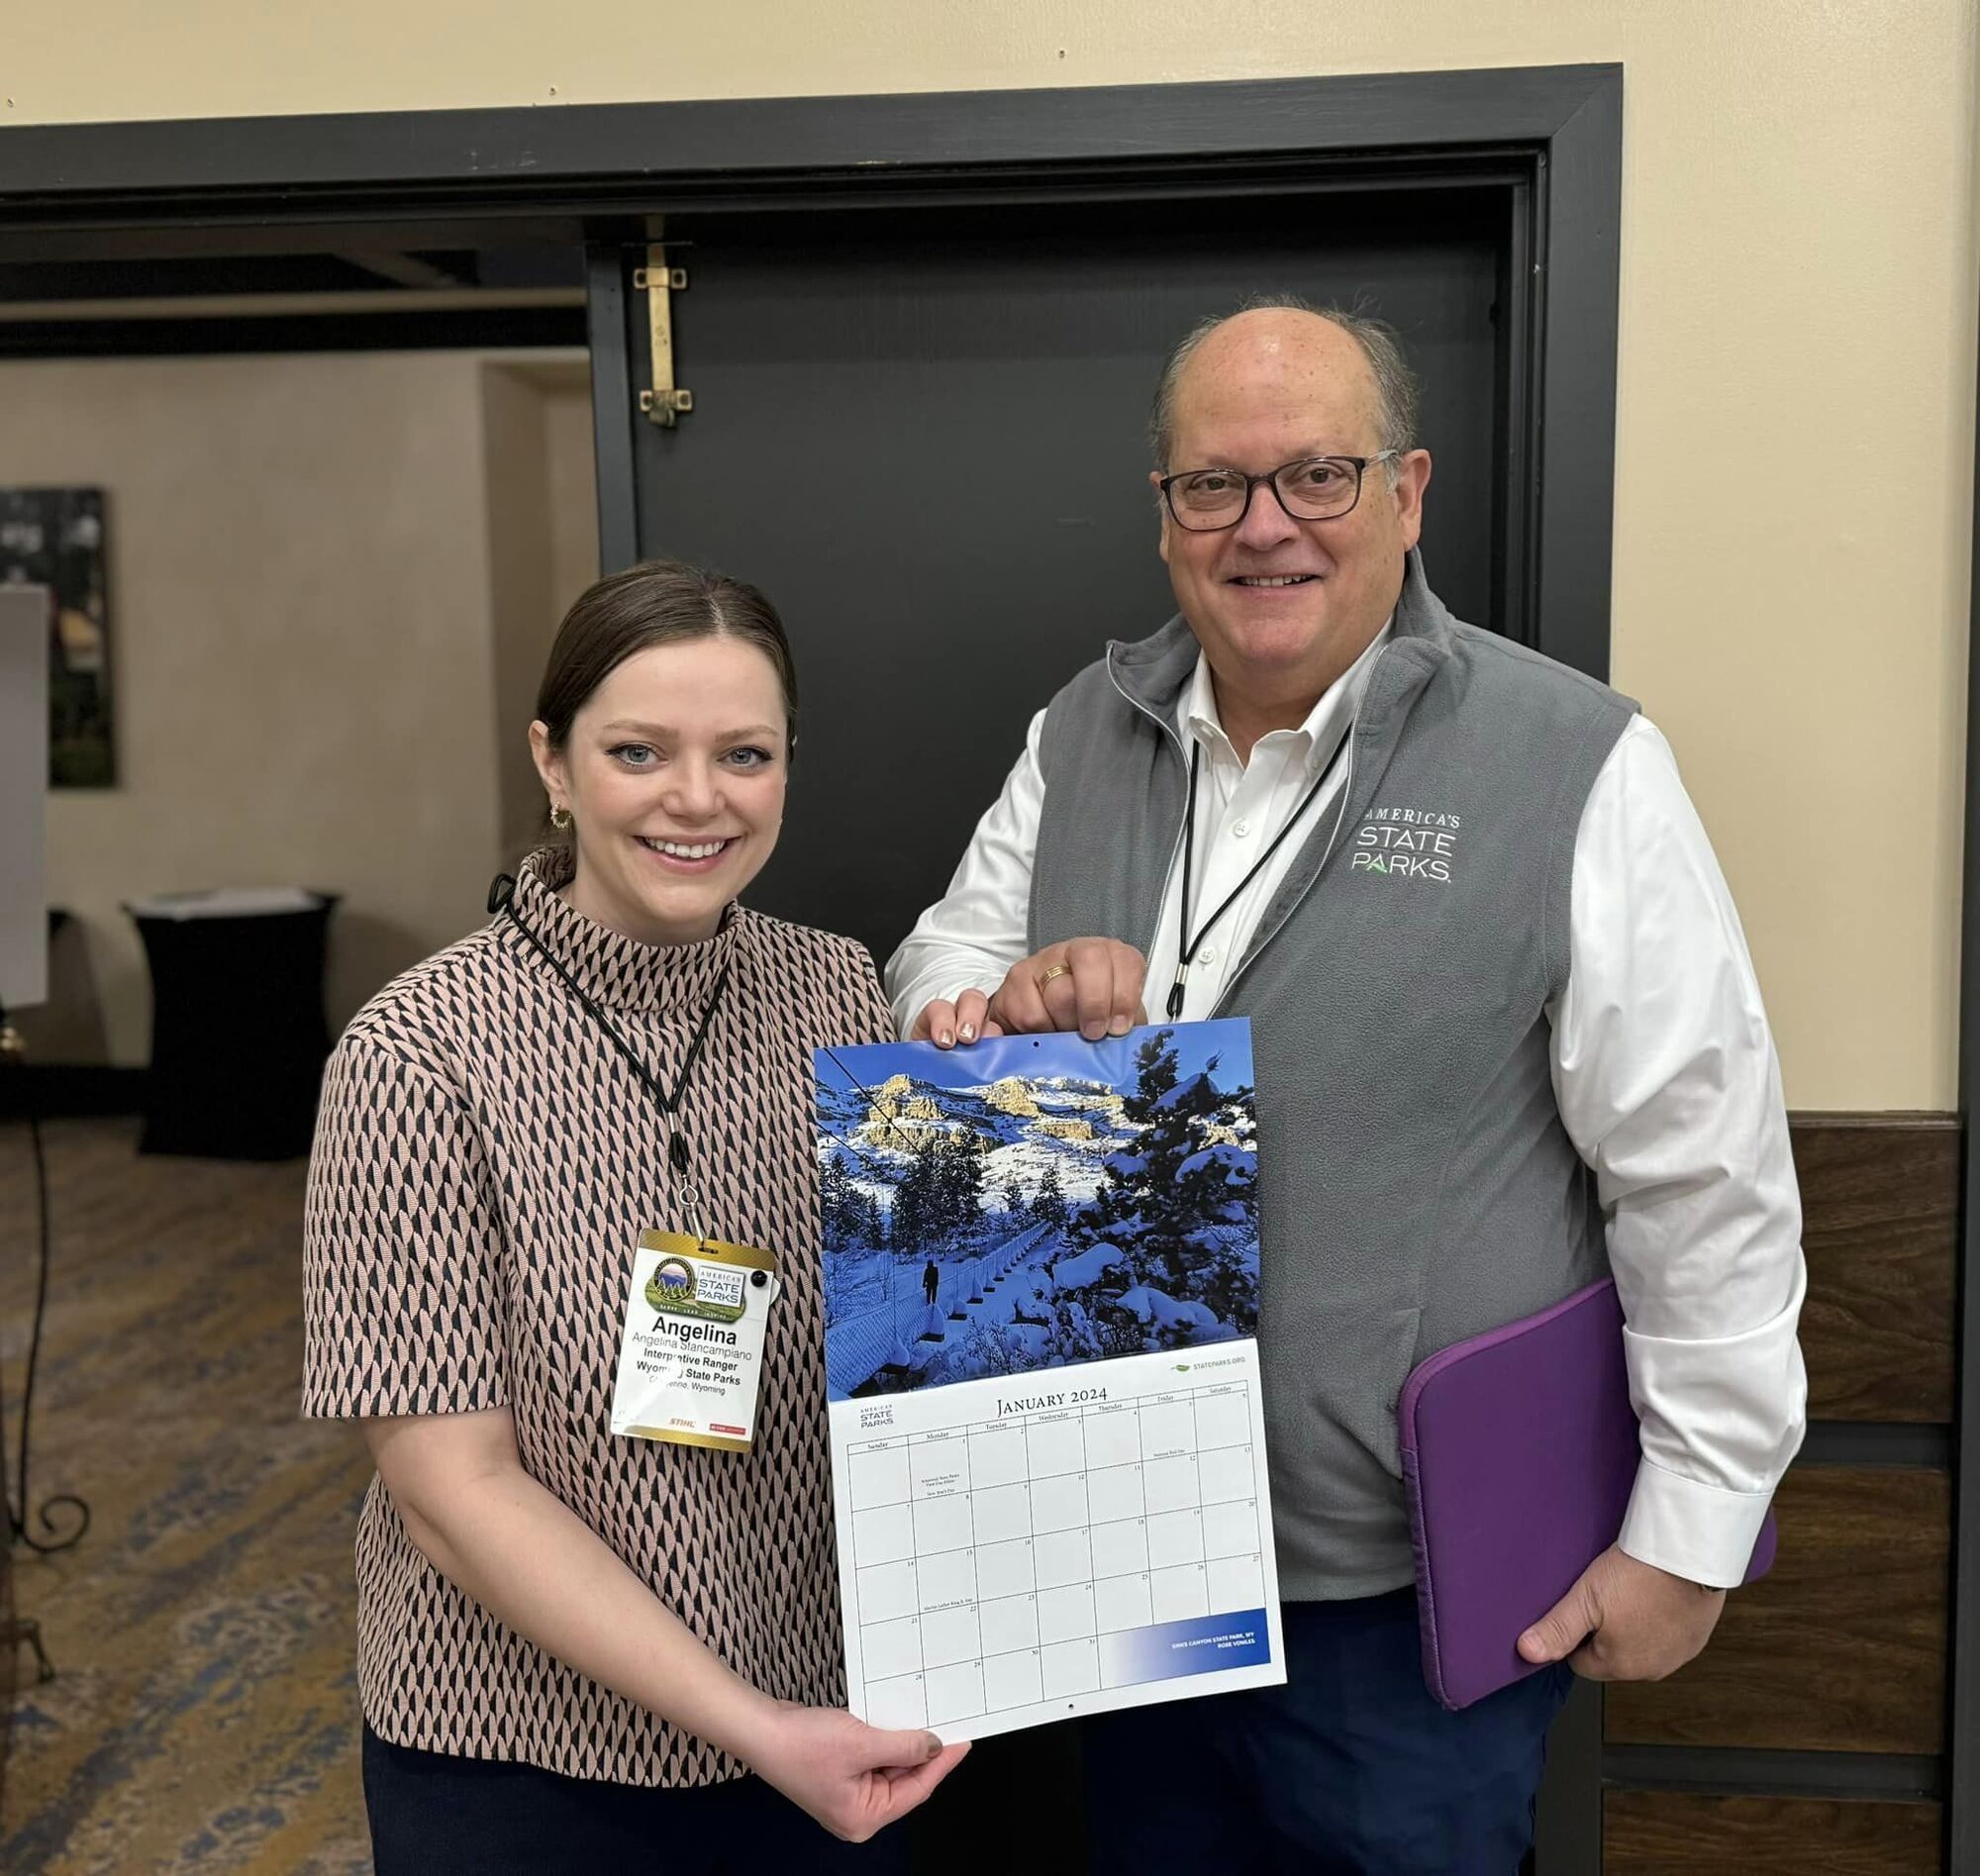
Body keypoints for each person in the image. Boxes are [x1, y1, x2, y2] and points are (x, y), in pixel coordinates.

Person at [887, 302, 1806, 1872]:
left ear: (1409, 492)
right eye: (1212, 485)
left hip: (1407, 1608)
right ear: (1164, 510)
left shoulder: (1576, 759)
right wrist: (998, 1007)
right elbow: (933, 976)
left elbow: (1700, 1174)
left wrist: (1694, 1533)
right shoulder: (1078, 733)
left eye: (1317, 474)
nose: (1264, 529)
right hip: (1113, 1567)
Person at [303, 560, 965, 1873]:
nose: (698, 798)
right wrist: (753, 1726)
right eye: (638, 750)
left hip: (826, 1725)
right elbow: (452, 1491)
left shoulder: (840, 994)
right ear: (553, 763)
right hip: (522, 1761)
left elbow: (934, 1342)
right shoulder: (415, 1055)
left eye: (746, 753)